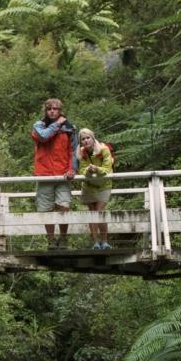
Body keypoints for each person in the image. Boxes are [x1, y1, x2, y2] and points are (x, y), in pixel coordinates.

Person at [31, 98, 77, 248]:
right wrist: (58, 124)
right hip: (44, 174)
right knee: (46, 209)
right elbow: (44, 136)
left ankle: (63, 238)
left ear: (60, 111)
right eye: (49, 108)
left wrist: (72, 169)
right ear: (45, 111)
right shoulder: (38, 126)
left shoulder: (70, 129)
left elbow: (73, 151)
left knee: (64, 205)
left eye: (55, 109)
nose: (52, 111)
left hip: (63, 174)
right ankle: (51, 240)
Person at [76, 128, 114, 250]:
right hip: (88, 185)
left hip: (104, 185)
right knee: (92, 213)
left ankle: (105, 241)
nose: (86, 141)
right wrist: (88, 170)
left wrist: (96, 169)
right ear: (80, 142)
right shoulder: (81, 153)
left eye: (88, 138)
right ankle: (96, 242)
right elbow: (81, 170)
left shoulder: (103, 149)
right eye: (83, 139)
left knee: (99, 213)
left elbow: (107, 168)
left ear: (93, 138)